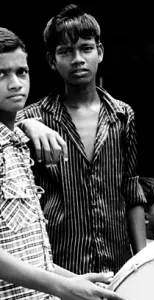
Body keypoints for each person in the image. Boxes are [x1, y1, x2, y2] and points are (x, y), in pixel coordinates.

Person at [16, 4, 146, 275]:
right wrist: (25, 123)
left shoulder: (122, 116)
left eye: (86, 48)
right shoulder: (33, 119)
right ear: (52, 60)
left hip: (117, 261)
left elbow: (131, 191)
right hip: (59, 264)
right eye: (66, 51)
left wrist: (142, 261)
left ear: (99, 52)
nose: (77, 59)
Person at [0, 26, 126, 300]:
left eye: (21, 72)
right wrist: (63, 287)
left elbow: (28, 249)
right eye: (1, 74)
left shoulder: (19, 144)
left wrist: (71, 280)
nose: (15, 83)